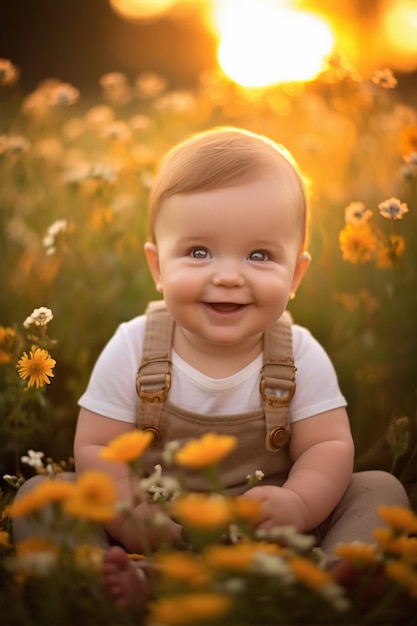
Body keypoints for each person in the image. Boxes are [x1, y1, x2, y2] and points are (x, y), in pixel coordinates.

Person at [13, 127, 409, 608]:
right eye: (198, 252)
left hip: (273, 539)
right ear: (158, 268)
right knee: (45, 492)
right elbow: (98, 446)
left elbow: (327, 444)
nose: (227, 275)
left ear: (295, 275)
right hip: (149, 538)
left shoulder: (299, 353)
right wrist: (131, 519)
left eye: (259, 255)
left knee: (377, 486)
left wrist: (300, 503)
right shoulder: (133, 346)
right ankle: (109, 580)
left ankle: (324, 578)